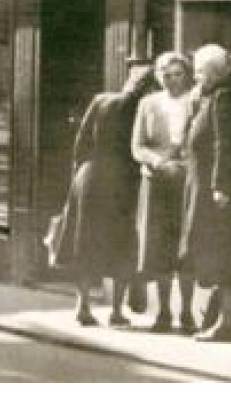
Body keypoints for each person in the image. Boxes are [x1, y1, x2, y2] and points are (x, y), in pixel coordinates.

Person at [54, 62, 159, 327]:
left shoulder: (101, 100)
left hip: (89, 177)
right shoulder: (145, 108)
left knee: (85, 241)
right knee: (122, 243)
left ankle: (83, 306)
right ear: (149, 87)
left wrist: (77, 178)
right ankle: (116, 310)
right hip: (123, 180)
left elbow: (81, 143)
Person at [180, 43, 231, 342]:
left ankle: (228, 323)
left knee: (225, 252)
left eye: (200, 72)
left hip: (218, 192)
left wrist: (220, 186)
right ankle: (220, 318)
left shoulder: (224, 98)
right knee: (218, 252)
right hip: (209, 187)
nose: (197, 78)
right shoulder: (216, 97)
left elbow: (224, 145)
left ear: (213, 72)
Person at [132, 51, 198, 333]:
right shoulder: (148, 104)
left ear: (187, 74)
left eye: (177, 75)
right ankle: (163, 312)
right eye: (165, 75)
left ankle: (186, 312)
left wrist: (185, 163)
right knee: (159, 248)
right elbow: (137, 146)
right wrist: (156, 161)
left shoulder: (195, 102)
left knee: (186, 246)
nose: (171, 81)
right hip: (157, 183)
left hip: (185, 182)